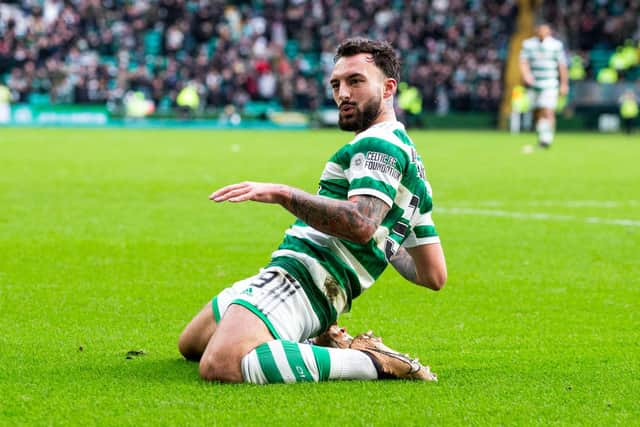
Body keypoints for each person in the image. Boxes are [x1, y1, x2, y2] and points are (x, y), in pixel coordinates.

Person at [178, 38, 447, 384]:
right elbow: (433, 275)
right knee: (192, 344)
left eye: (356, 81)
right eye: (336, 84)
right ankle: (312, 339)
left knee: (221, 364)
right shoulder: (413, 170)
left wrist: (283, 193)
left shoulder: (377, 142)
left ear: (389, 87)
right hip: (297, 274)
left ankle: (370, 362)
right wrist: (385, 240)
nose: (343, 94)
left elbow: (362, 223)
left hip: (305, 279)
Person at [519, 24, 569, 148]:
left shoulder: (556, 45)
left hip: (550, 83)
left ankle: (548, 138)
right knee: (538, 111)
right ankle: (542, 137)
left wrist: (564, 84)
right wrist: (526, 75)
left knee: (548, 110)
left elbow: (562, 66)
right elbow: (523, 61)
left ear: (549, 32)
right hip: (535, 84)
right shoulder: (528, 44)